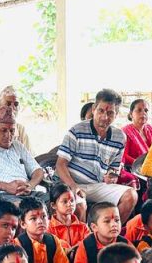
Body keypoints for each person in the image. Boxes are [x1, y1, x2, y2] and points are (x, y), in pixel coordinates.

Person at [56, 88, 138, 223]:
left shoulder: (119, 137)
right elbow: (60, 164)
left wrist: (111, 176)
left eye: (110, 113)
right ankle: (82, 242)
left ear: (116, 114)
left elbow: (114, 168)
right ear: (94, 109)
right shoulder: (77, 130)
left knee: (131, 195)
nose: (105, 117)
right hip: (70, 183)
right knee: (80, 204)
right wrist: (73, 186)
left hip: (96, 185)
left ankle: (108, 237)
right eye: (101, 111)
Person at [18, 196, 71, 263]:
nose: (40, 221)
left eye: (43, 216)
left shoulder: (53, 240)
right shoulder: (18, 245)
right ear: (23, 224)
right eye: (33, 218)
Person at [121, 98, 152, 170]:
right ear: (131, 114)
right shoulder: (125, 132)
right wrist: (139, 164)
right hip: (134, 169)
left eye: (146, 111)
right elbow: (123, 155)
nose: (143, 113)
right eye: (139, 110)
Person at [47, 183, 87, 249]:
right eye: (65, 201)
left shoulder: (83, 227)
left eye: (72, 200)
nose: (70, 204)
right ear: (53, 205)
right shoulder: (49, 228)